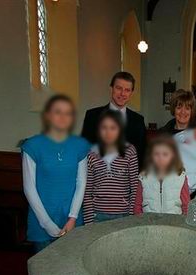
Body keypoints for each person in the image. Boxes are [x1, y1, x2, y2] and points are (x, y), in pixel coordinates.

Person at [21, 95, 90, 253]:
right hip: (42, 220)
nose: (62, 117)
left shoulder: (79, 145)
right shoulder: (33, 145)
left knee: (71, 268)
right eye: (57, 112)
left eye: (67, 113)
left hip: (71, 218)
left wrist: (73, 218)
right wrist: (47, 223)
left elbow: (81, 183)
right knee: (45, 272)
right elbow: (29, 188)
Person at [82, 110, 139, 224]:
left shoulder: (130, 151)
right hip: (98, 214)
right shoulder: (91, 153)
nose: (108, 132)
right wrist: (89, 222)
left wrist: (130, 215)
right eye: (104, 127)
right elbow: (87, 191)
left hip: (123, 215)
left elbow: (135, 187)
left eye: (113, 128)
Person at [81, 71, 146, 165]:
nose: (122, 93)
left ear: (131, 93)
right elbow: (84, 150)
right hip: (98, 177)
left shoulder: (138, 120)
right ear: (111, 89)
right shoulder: (92, 116)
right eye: (119, 88)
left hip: (128, 178)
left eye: (127, 90)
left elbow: (142, 154)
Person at [133, 135, 190, 215]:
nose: (160, 158)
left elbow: (186, 206)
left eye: (165, 154)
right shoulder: (144, 177)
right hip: (149, 223)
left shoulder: (180, 176)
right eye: (156, 154)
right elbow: (137, 206)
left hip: (173, 224)